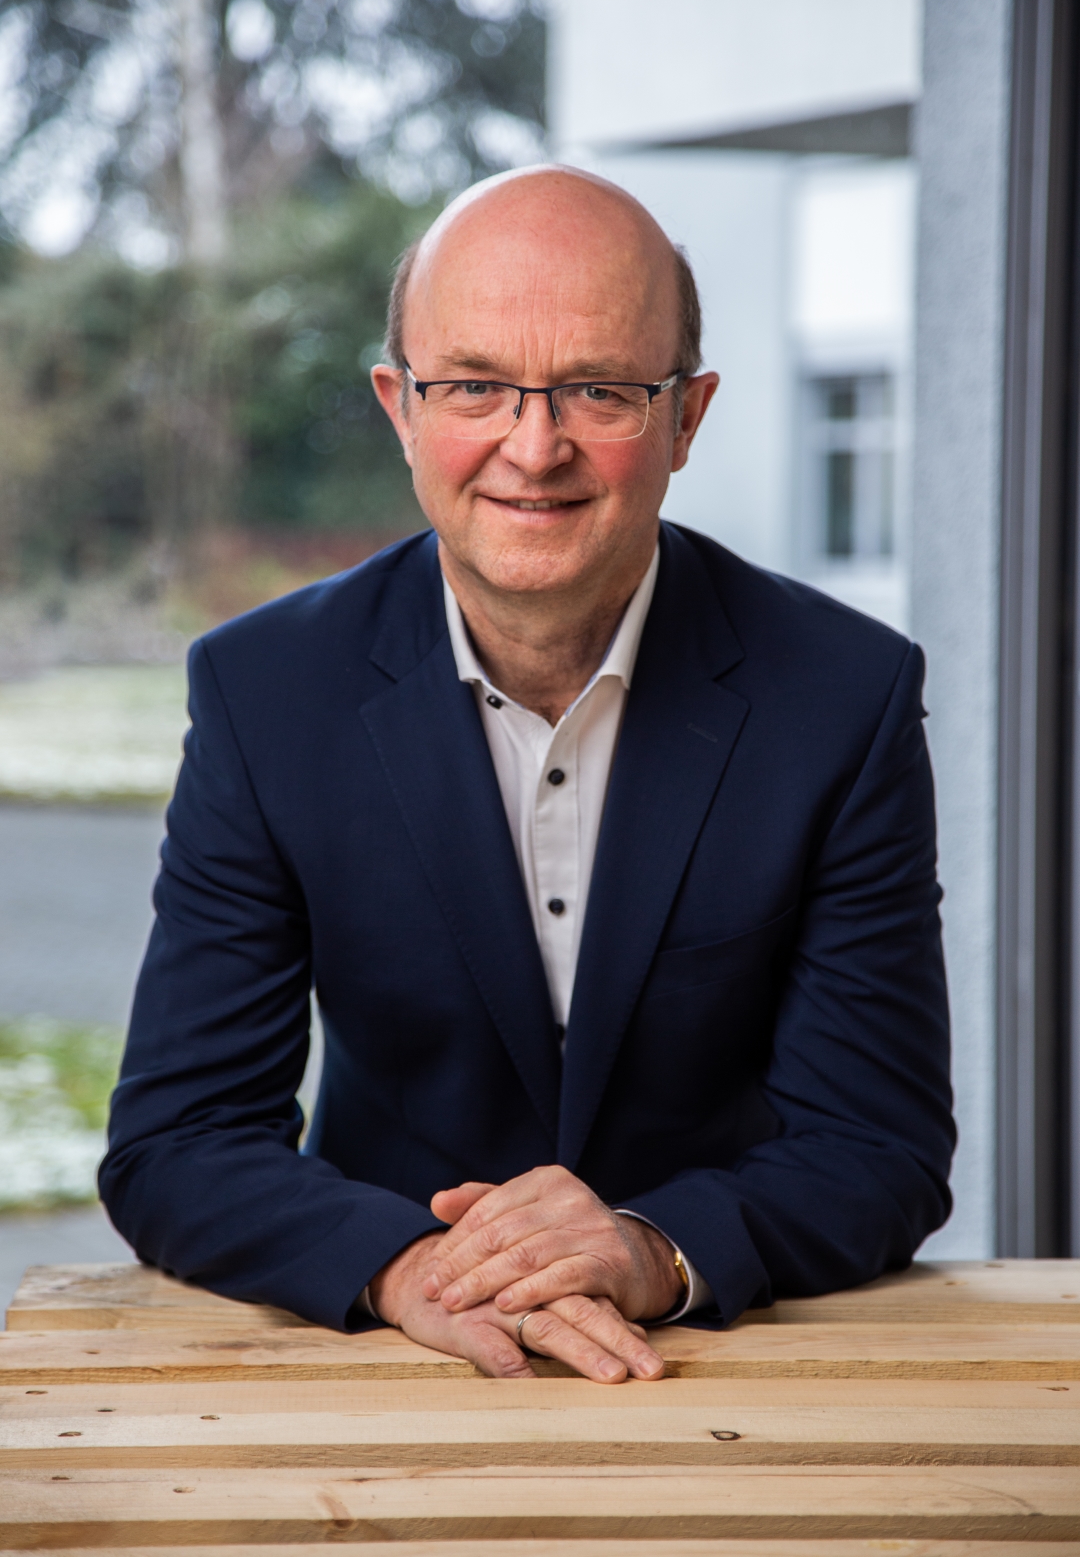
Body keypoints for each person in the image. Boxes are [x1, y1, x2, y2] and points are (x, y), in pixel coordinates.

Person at [100, 165, 955, 1385]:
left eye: (600, 389)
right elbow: (178, 1141)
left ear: (687, 418)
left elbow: (877, 1144)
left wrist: (649, 1250)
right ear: (401, 407)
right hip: (387, 1368)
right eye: (475, 386)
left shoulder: (841, 697)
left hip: (724, 1364)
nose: (534, 447)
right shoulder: (266, 693)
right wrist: (408, 1268)